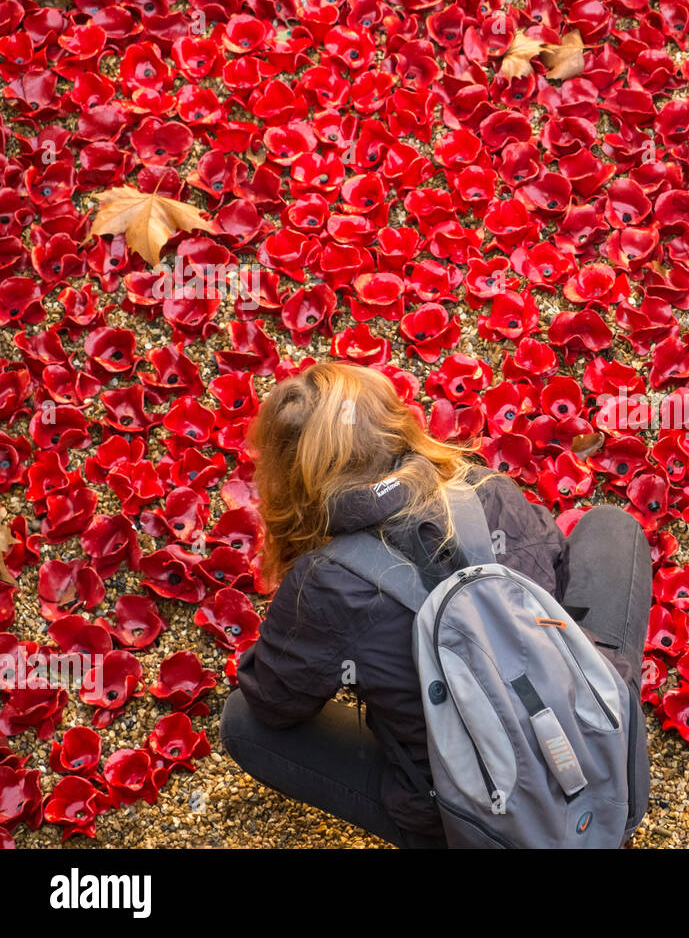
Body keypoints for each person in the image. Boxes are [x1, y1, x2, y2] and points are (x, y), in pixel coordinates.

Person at [220, 362, 652, 848]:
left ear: (292, 479)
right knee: (611, 527)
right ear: (395, 424)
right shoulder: (484, 490)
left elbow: (274, 702)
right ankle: (607, 717)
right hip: (601, 758)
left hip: (473, 819)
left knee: (242, 721)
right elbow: (550, 569)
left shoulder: (322, 584)